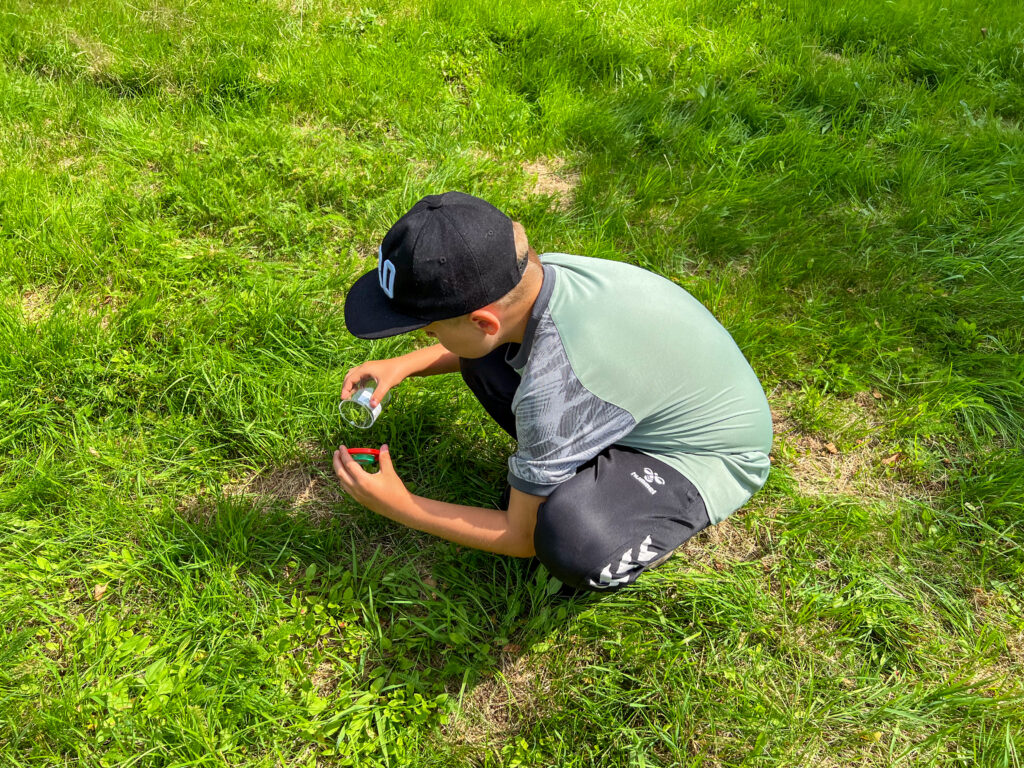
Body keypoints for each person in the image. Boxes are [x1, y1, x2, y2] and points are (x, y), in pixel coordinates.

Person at [334, 191, 772, 591]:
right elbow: (498, 345)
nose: (427, 340)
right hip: (652, 393)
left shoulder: (556, 387)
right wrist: (405, 365)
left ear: (484, 322)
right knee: (484, 361)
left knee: (569, 541)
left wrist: (401, 505)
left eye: (430, 331)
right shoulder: (538, 275)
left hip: (710, 456)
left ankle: (618, 502)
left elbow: (520, 538)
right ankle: (578, 465)